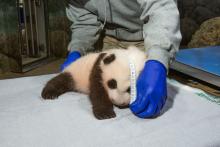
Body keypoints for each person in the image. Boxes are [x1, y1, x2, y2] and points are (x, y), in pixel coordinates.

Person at [61, 0, 182, 118]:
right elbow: (84, 20)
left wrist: (158, 59)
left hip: (146, 39)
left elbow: (160, 6)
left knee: (146, 97)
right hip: (106, 41)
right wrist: (77, 49)